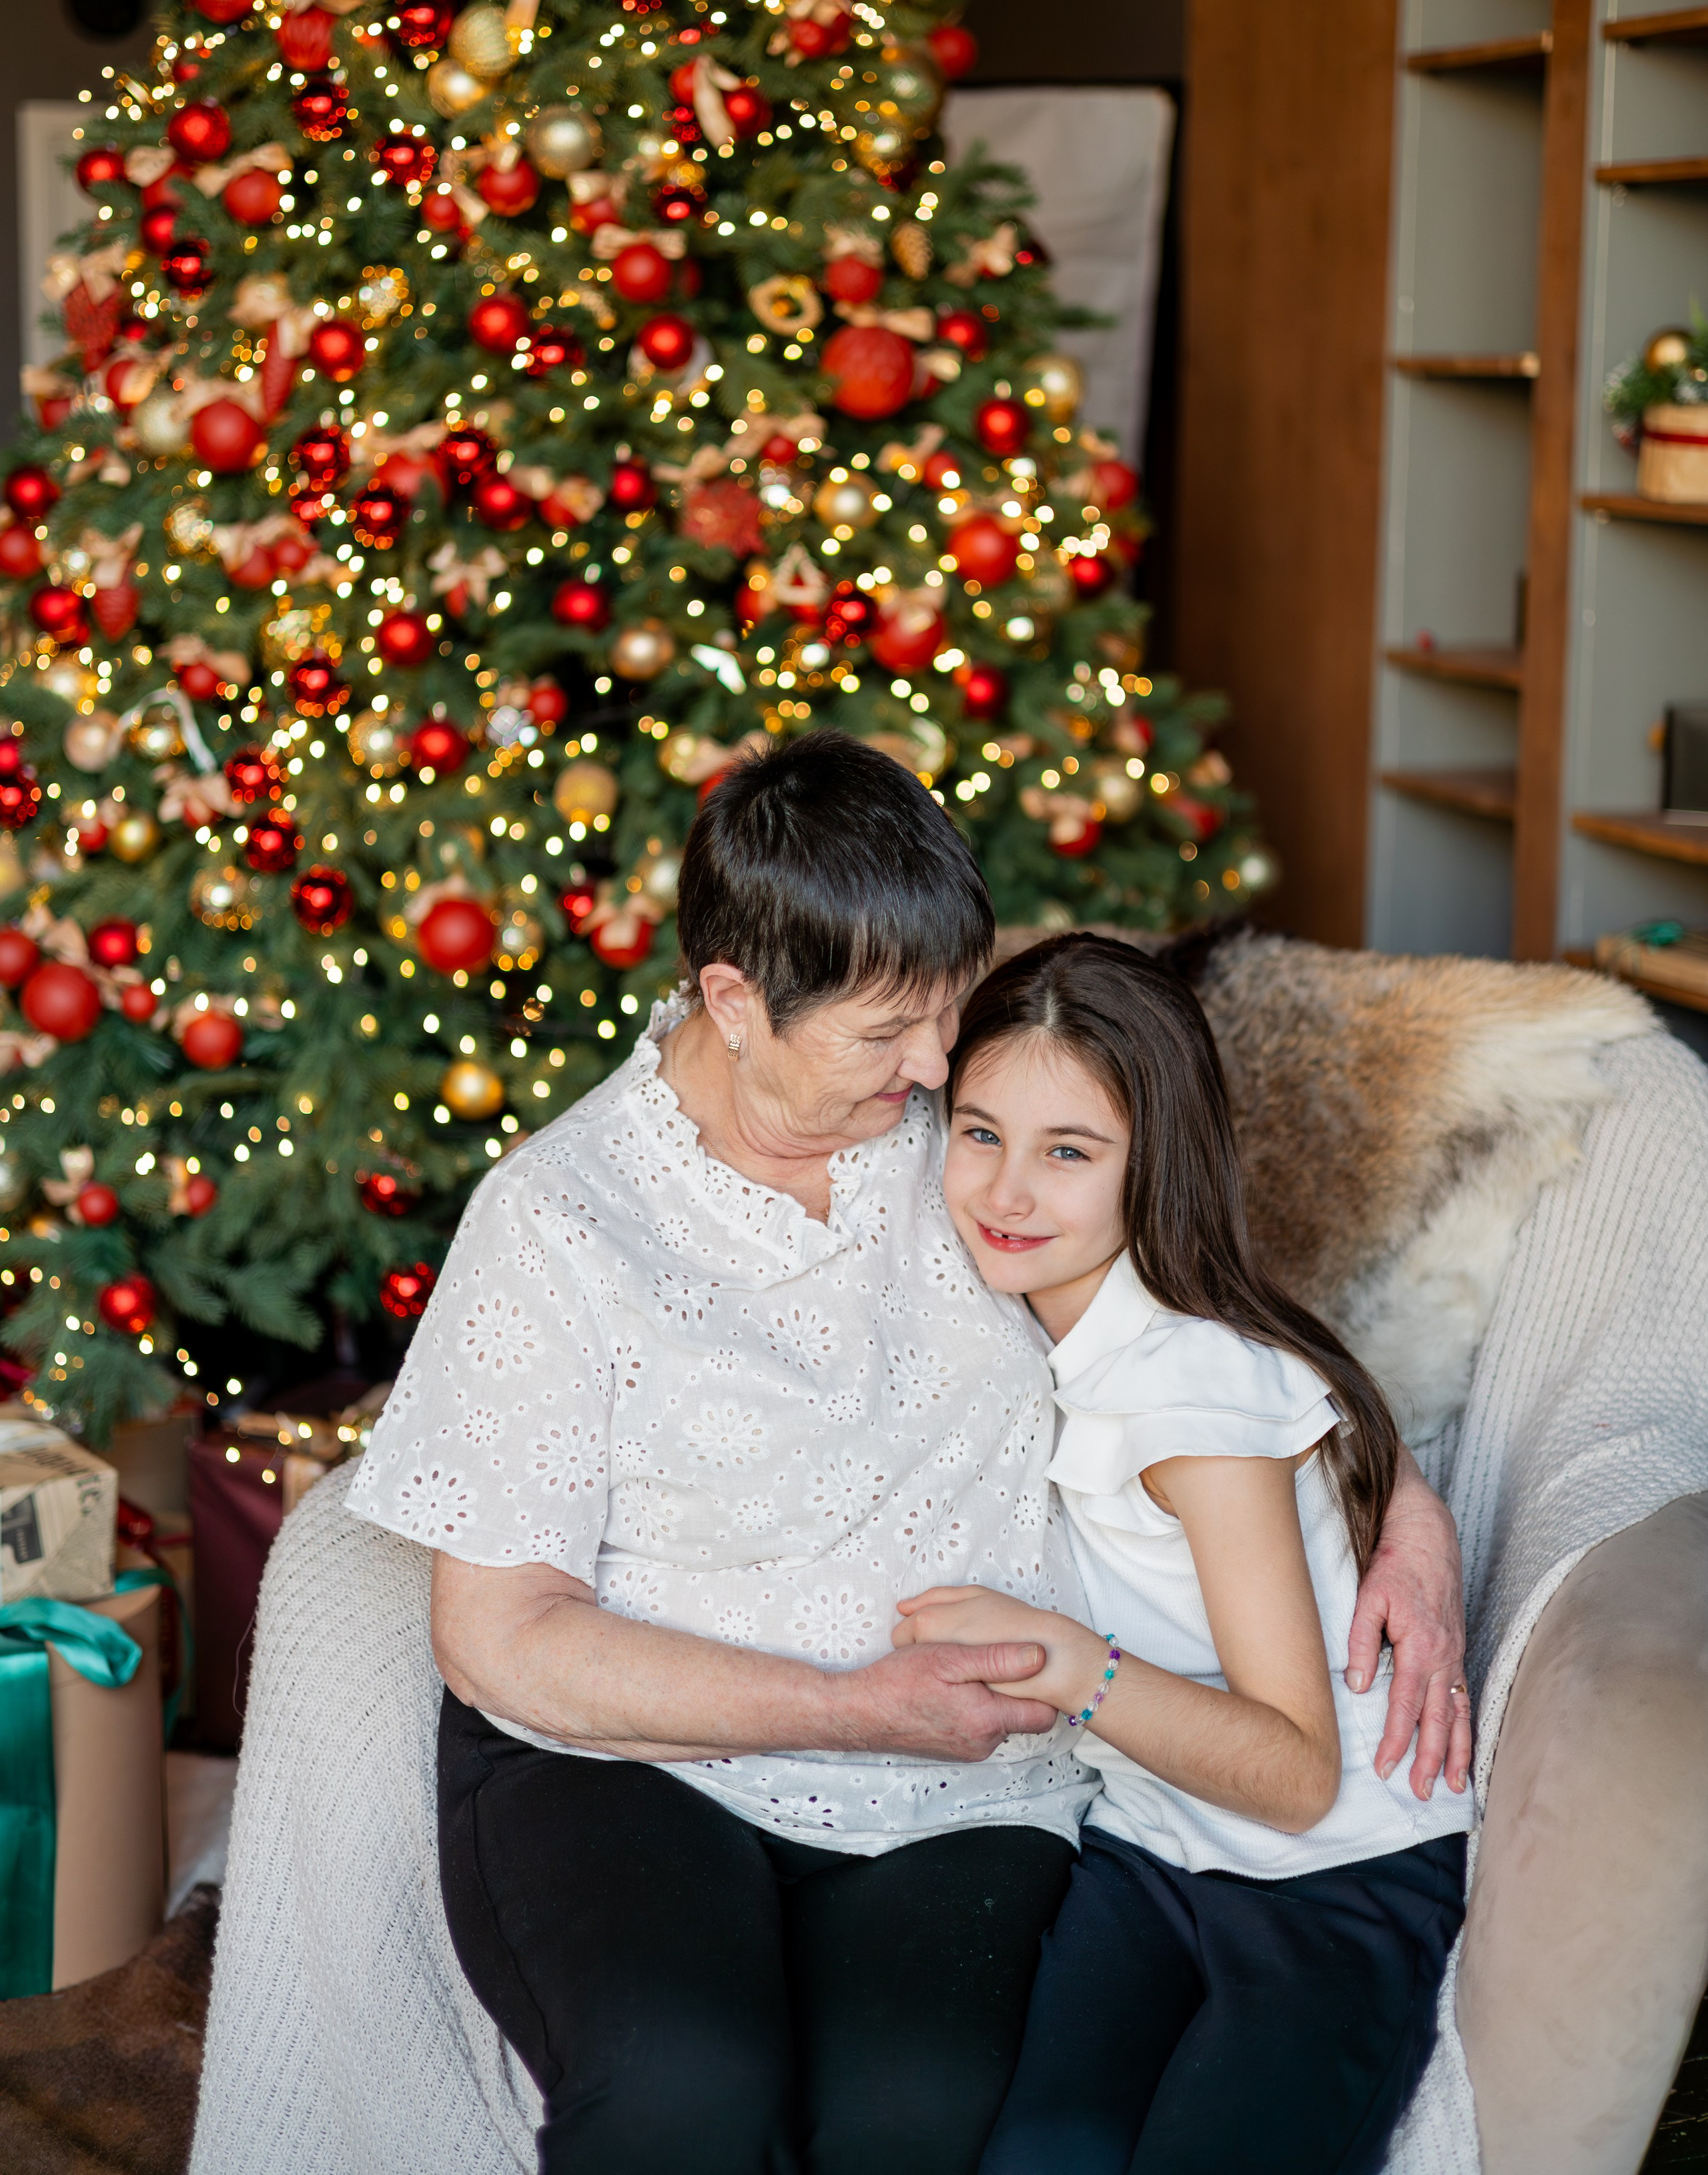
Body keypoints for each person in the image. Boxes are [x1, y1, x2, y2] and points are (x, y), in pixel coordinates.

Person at [346, 733, 1469, 2175]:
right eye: (886, 1036)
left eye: (944, 1014)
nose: (933, 1065)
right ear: (734, 1001)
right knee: (686, 2087)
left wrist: (1407, 1516)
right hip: (629, 1769)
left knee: (920, 2118)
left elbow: (1216, 1319)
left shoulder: (974, 1140)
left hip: (962, 1780)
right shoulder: (557, 1222)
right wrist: (846, 1704)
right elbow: (500, 1638)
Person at [895, 932, 1470, 2175]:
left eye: (1069, 1153)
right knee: (1037, 2156)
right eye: (981, 1132)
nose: (1006, 1193)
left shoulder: (1188, 1404)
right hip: (1156, 1842)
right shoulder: (1014, 1300)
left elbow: (1300, 1772)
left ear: (1153, 1164)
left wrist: (1073, 1668)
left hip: (1334, 1871)